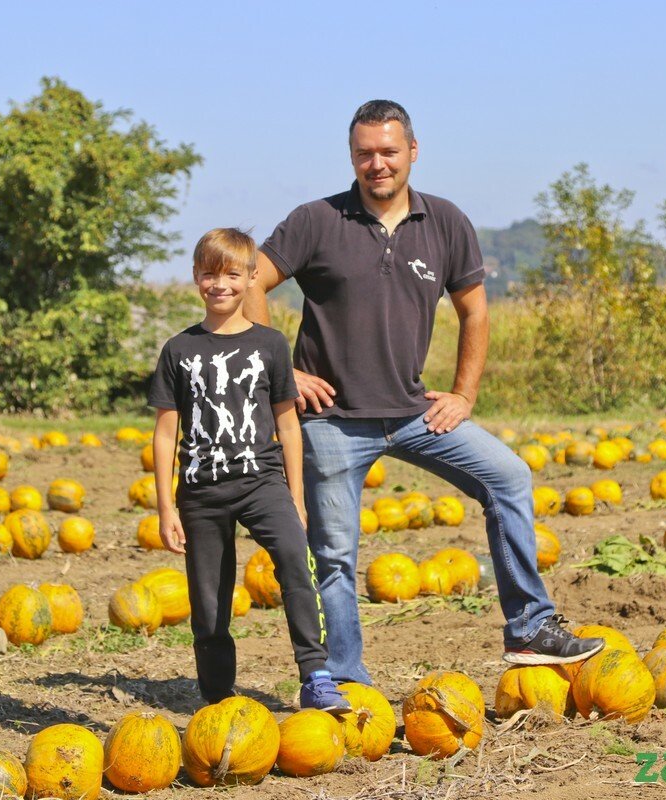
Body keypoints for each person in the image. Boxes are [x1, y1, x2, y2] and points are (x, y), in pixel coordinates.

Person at [244, 100, 605, 685]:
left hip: (415, 412)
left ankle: (530, 627)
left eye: (388, 151)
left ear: (412, 151)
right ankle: (343, 680)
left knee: (509, 476)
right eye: (365, 153)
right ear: (352, 156)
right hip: (331, 421)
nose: (377, 164)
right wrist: (283, 374)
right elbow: (253, 281)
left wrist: (464, 394)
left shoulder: (445, 222)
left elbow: (475, 311)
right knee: (333, 555)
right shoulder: (316, 220)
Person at [148, 227, 349, 711]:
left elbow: (289, 426)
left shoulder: (270, 345)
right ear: (196, 277)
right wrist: (165, 506)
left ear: (251, 277)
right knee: (210, 603)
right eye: (209, 274)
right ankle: (218, 699)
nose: (220, 284)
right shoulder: (179, 350)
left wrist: (296, 499)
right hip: (201, 491)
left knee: (297, 565)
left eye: (232, 274)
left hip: (263, 483)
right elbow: (164, 432)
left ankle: (316, 674)